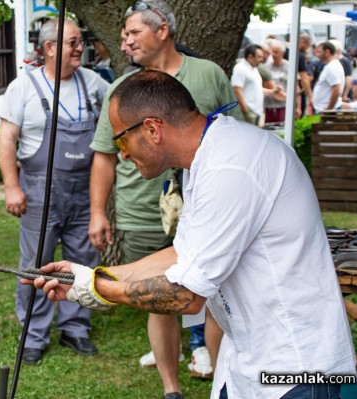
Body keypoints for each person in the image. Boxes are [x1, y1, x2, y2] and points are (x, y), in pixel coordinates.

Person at [28, 70, 356, 399]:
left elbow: (186, 295)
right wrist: (91, 275)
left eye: (122, 141)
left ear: (152, 129)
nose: (123, 155)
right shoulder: (207, 157)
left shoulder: (231, 166)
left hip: (295, 367)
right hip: (252, 355)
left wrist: (99, 289)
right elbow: (181, 254)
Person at [89, 1, 241, 397]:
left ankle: (220, 370)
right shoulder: (121, 91)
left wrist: (98, 286)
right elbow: (105, 154)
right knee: (158, 296)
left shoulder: (207, 74)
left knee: (214, 293)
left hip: (205, 205)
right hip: (141, 208)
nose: (125, 41)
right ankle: (171, 388)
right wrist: (96, 215)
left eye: (133, 32)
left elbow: (232, 134)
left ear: (162, 30)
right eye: (122, 34)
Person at [0, 18, 109, 366]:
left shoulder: (94, 84)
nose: (80, 48)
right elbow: (6, 139)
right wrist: (12, 187)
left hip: (84, 190)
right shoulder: (24, 86)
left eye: (80, 41)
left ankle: (76, 328)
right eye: (73, 42)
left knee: (82, 261)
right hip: (38, 190)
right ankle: (33, 335)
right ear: (48, 48)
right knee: (35, 266)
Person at [231, 44, 267, 125]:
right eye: (259, 57)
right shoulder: (240, 68)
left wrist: (273, 91)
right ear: (250, 56)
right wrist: (246, 111)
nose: (262, 59)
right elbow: (237, 91)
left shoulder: (254, 69)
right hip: (249, 111)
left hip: (256, 111)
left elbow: (256, 88)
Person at [285, 32, 313, 116]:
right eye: (307, 45)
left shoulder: (284, 51)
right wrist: (310, 96)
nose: (307, 49)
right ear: (303, 41)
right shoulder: (298, 55)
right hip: (296, 93)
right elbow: (304, 77)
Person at [312, 41, 345, 114]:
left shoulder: (332, 67)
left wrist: (329, 110)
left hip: (327, 110)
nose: (317, 55)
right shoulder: (331, 65)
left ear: (327, 52)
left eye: (319, 52)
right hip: (325, 109)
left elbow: (336, 89)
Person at [263, 39, 288, 123]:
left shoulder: (289, 67)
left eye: (276, 52)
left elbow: (296, 88)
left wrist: (297, 107)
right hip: (269, 106)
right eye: (272, 52)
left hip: (283, 106)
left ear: (283, 53)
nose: (273, 55)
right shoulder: (266, 67)